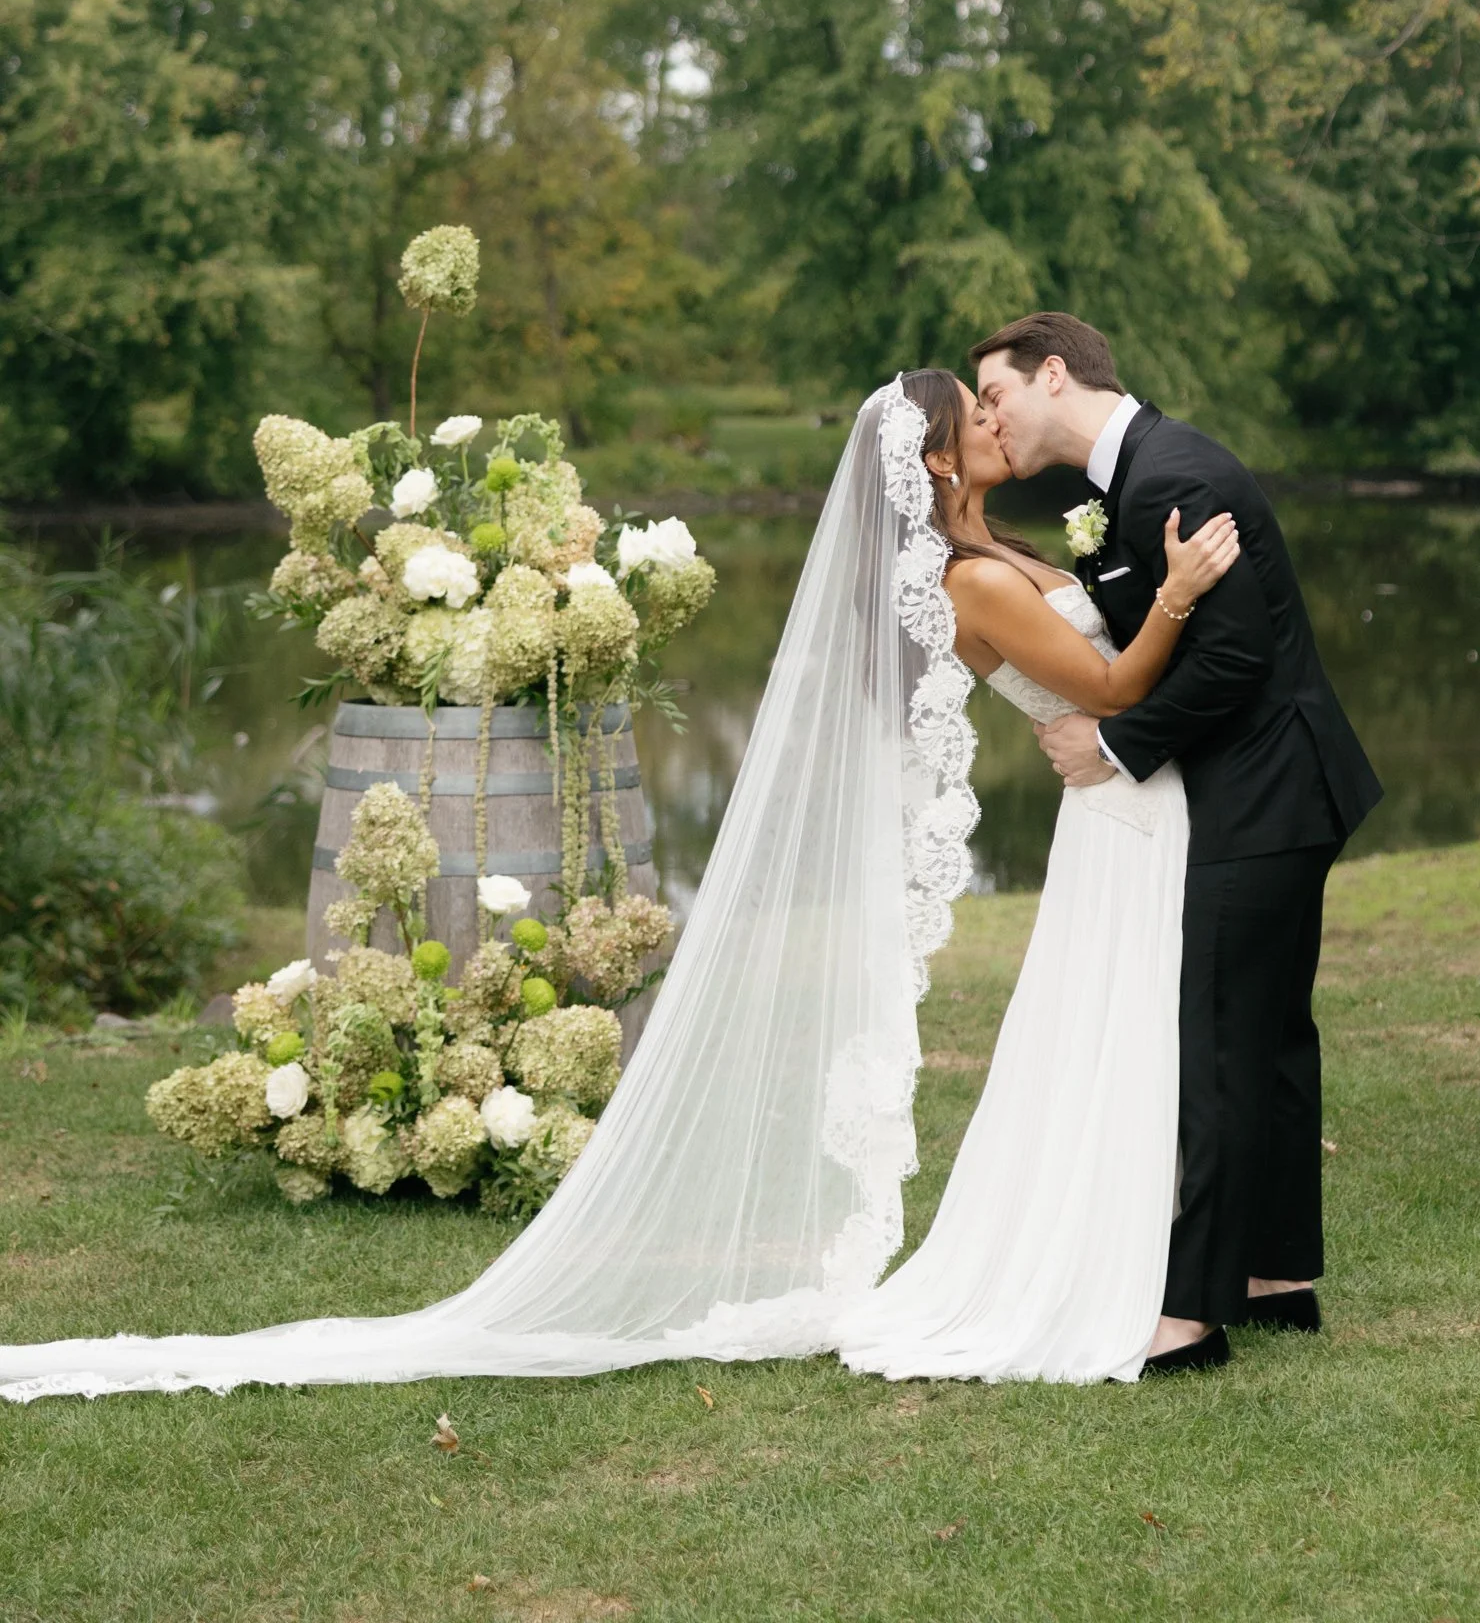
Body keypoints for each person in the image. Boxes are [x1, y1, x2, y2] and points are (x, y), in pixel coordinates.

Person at [0, 372, 1239, 1401]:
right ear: (935, 461)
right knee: (1110, 1043)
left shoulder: (986, 555)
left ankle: (1126, 1258)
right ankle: (1102, 1274)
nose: (995, 419)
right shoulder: (969, 583)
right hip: (1121, 816)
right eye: (975, 412)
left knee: (1111, 1047)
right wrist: (1179, 597)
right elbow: (1117, 691)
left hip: (1122, 815)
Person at [972, 310, 1382, 1375]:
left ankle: (1191, 1315)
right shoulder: (1132, 480)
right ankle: (1276, 1277)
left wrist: (1111, 742)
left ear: (1054, 374)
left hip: (1264, 793)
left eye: (997, 396)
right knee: (1268, 1039)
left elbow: (1235, 656)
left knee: (1220, 1041)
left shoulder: (1169, 477)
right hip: (1282, 788)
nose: (989, 419)